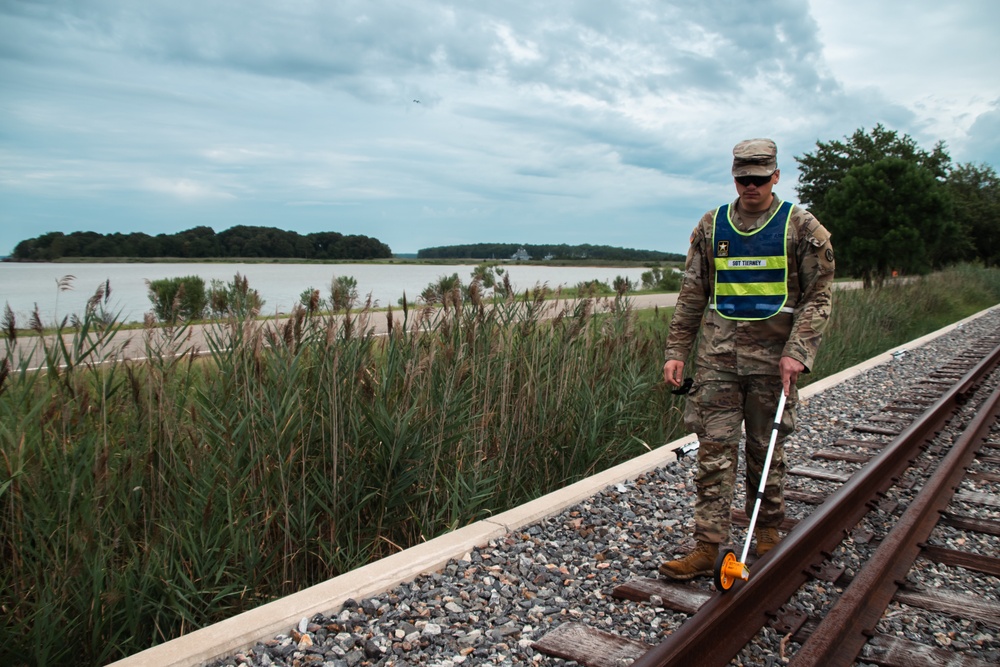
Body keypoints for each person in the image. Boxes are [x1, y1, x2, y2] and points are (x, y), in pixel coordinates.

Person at [658, 138, 835, 580]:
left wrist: (799, 352)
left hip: (774, 364)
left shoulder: (801, 227)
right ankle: (707, 546)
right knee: (714, 450)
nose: (750, 186)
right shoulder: (712, 226)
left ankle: (768, 535)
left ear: (775, 176)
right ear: (733, 177)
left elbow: (819, 297)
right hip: (717, 360)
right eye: (743, 179)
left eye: (759, 178)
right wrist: (677, 351)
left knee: (765, 449)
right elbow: (692, 293)